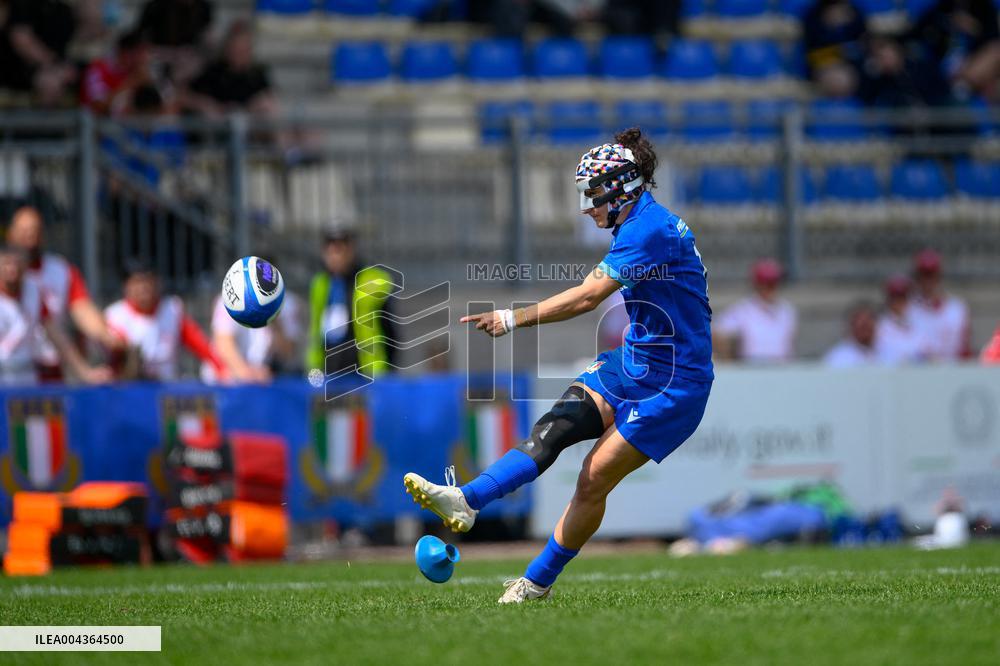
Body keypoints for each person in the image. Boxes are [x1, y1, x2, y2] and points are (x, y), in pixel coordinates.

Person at [403, 129, 714, 603]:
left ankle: (536, 583)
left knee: (592, 476)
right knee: (553, 429)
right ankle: (467, 500)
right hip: (634, 362)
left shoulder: (648, 229)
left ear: (620, 189)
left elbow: (588, 298)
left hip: (675, 384)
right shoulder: (637, 224)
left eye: (592, 194)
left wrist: (514, 318)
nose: (586, 207)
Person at [6, 206, 122, 380]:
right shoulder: (9, 278)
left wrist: (105, 336)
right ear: (11, 234)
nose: (30, 237)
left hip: (48, 367)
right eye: (23, 231)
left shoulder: (60, 271)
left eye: (35, 230)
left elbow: (80, 310)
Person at [0, 245, 111, 385]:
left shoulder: (33, 291)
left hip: (27, 375)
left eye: (17, 263)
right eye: (6, 264)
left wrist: (85, 372)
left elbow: (56, 335)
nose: (12, 269)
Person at [104, 262, 225, 381]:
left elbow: (201, 345)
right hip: (130, 387)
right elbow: (113, 360)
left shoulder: (172, 310)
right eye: (137, 282)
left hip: (168, 386)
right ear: (126, 286)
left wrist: (221, 367)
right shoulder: (115, 316)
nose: (143, 288)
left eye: (147, 281)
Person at [306, 226, 397, 379]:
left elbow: (390, 331)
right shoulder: (320, 284)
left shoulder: (373, 279)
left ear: (351, 250)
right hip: (329, 373)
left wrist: (386, 372)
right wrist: (314, 370)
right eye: (331, 250)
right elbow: (316, 329)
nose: (335, 256)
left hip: (367, 374)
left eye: (340, 250)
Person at [202, 290, 302, 384]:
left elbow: (287, 352)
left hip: (263, 381)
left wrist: (273, 316)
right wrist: (246, 372)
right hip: (225, 382)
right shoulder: (231, 296)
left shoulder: (288, 303)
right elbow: (223, 344)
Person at [185, 20, 276, 118]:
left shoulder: (257, 74)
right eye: (237, 50)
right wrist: (204, 104)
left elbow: (268, 99)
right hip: (216, 122)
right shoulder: (214, 72)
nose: (240, 55)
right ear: (228, 49)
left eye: (244, 51)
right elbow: (187, 95)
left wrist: (255, 107)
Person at [714, 259, 797, 363]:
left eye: (774, 283)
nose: (772, 289)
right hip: (751, 365)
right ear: (758, 285)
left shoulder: (786, 311)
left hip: (782, 366)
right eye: (768, 284)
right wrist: (728, 358)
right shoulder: (743, 310)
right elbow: (717, 332)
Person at [0, 0, 77, 105]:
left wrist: (63, 68)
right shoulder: (22, 5)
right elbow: (21, 40)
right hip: (17, 70)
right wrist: (53, 65)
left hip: (54, 68)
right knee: (49, 82)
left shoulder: (64, 10)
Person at [906, 249, 971, 361]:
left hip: (950, 368)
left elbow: (964, 348)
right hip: (916, 369)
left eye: (931, 275)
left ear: (939, 276)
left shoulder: (957, 309)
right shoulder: (907, 308)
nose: (927, 281)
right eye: (924, 275)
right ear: (917, 277)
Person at [80, 29, 152, 116]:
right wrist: (132, 82)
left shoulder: (140, 73)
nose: (145, 58)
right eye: (141, 53)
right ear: (126, 53)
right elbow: (99, 106)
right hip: (93, 121)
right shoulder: (98, 69)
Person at [874, 274, 924, 364]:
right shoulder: (879, 326)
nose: (899, 302)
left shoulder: (920, 321)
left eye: (903, 297)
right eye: (895, 298)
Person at [823, 301, 878, 367]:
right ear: (851, 327)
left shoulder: (886, 349)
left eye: (868, 325)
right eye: (862, 327)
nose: (865, 331)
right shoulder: (838, 357)